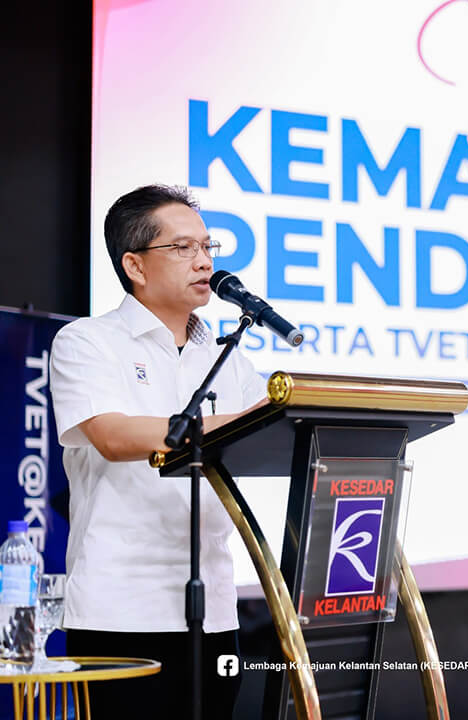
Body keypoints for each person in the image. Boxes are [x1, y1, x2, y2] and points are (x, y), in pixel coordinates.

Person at [49, 185, 267, 719]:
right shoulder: (87, 341)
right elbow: (111, 434)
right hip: (121, 609)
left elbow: (266, 434)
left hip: (214, 609)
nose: (205, 262)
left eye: (208, 247)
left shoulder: (226, 358)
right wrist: (233, 424)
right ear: (135, 265)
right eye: (183, 248)